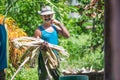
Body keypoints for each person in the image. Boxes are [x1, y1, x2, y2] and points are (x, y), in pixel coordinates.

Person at [34, 6, 70, 80]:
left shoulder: (54, 28)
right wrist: (43, 46)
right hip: (44, 57)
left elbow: (67, 35)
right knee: (45, 77)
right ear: (41, 17)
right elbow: (35, 46)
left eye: (49, 15)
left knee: (56, 76)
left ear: (52, 16)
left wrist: (59, 24)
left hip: (55, 56)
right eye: (45, 16)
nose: (47, 17)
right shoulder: (39, 30)